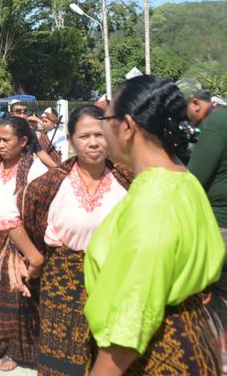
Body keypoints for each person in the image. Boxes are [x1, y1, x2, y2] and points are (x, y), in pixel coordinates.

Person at [86, 75, 223, 374]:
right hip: (192, 338)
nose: (101, 129)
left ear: (128, 126)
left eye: (106, 117)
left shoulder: (153, 204)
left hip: (153, 356)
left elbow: (129, 322)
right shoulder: (183, 180)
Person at [19, 106, 133, 374]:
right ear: (70, 141)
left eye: (100, 134)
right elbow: (26, 222)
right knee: (63, 360)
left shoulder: (128, 180)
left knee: (112, 357)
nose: (93, 142)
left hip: (116, 279)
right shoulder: (48, 186)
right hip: (63, 281)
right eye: (84, 136)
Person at [0, 116, 48, 371]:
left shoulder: (34, 169)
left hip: (19, 244)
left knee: (16, 301)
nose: (0, 145)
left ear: (23, 141)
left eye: (6, 140)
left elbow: (40, 208)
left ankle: (16, 349)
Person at [181, 78, 227, 361]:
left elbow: (194, 178)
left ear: (196, 103)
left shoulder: (214, 125)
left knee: (216, 290)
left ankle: (218, 355)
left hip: (219, 222)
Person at [8, 101, 59, 168]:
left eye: (25, 112)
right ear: (11, 114)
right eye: (18, 112)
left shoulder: (30, 132)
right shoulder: (4, 131)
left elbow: (39, 152)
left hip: (27, 170)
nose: (22, 116)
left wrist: (57, 168)